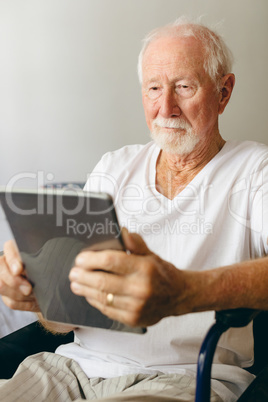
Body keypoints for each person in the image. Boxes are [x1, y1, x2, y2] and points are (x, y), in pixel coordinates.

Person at [0, 16, 268, 402]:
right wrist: (38, 294)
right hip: (70, 370)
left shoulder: (255, 169)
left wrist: (185, 293)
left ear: (223, 92)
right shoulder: (113, 167)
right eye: (154, 88)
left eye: (184, 87)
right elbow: (64, 316)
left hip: (182, 380)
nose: (166, 108)